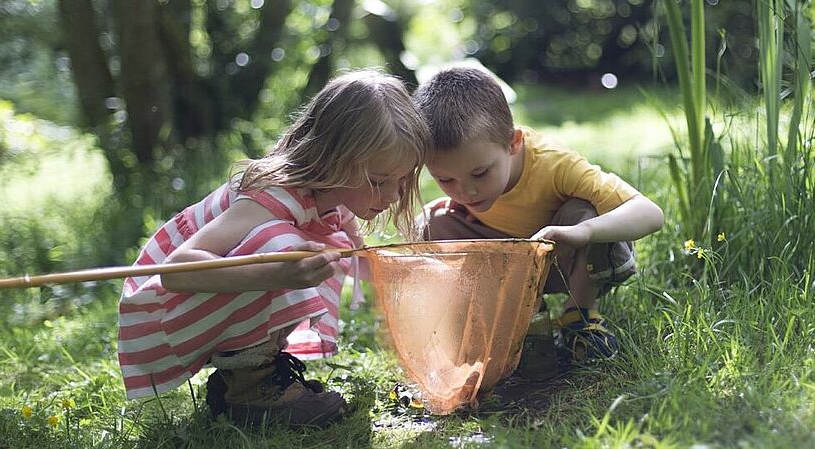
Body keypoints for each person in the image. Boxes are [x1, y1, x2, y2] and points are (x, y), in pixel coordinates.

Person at [117, 70, 432, 427]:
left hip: (199, 306)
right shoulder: (272, 197)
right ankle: (252, 390)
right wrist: (279, 272)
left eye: (401, 181)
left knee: (324, 247)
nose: (392, 197)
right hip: (160, 312)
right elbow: (177, 270)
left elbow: (361, 256)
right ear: (334, 158)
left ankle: (240, 379)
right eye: (378, 181)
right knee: (286, 247)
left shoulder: (333, 193)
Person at [412, 67, 663, 373]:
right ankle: (513, 316)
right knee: (430, 222)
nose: (466, 191)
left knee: (584, 210)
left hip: (566, 261)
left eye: (480, 173)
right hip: (508, 262)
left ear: (513, 142)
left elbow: (651, 213)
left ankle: (579, 318)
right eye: (446, 179)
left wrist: (583, 232)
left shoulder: (554, 164)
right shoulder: (469, 184)